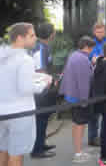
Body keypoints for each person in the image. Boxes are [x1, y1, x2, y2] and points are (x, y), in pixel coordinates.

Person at [0, 23, 51, 166]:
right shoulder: (25, 59)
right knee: (16, 154)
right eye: (32, 35)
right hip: (19, 114)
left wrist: (38, 77)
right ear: (19, 38)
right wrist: (44, 83)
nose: (35, 38)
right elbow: (26, 87)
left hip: (2, 112)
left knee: (2, 150)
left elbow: (13, 77)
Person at [59, 36, 96, 164]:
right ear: (86, 46)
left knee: (76, 124)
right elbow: (84, 82)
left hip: (71, 95)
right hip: (79, 98)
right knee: (80, 125)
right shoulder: (83, 59)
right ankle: (78, 153)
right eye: (91, 48)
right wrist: (85, 101)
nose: (92, 50)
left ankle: (78, 150)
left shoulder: (74, 55)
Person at [31, 23, 57, 159]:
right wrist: (49, 81)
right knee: (40, 119)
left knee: (43, 118)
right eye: (53, 31)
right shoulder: (41, 48)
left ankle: (41, 143)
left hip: (44, 88)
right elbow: (40, 70)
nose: (55, 33)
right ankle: (37, 150)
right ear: (50, 34)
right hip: (41, 91)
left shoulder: (44, 46)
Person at [88, 22, 106, 147]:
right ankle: (93, 137)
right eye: (98, 31)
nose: (100, 33)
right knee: (94, 112)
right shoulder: (91, 44)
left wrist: (99, 58)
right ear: (94, 32)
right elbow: (91, 58)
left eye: (102, 31)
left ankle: (105, 134)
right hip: (94, 81)